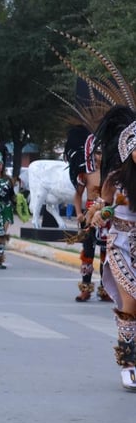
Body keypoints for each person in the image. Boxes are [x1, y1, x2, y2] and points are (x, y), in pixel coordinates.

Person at [90, 105, 136, 391]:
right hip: (121, 246)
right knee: (131, 303)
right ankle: (129, 363)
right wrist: (99, 213)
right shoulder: (115, 180)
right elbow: (103, 208)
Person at [67, 126, 112, 301]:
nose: (98, 156)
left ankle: (105, 288)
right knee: (87, 252)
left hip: (106, 217)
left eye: (101, 152)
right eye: (96, 152)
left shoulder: (111, 173)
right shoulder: (85, 174)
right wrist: (79, 213)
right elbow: (77, 195)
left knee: (105, 254)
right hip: (89, 217)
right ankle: (85, 288)